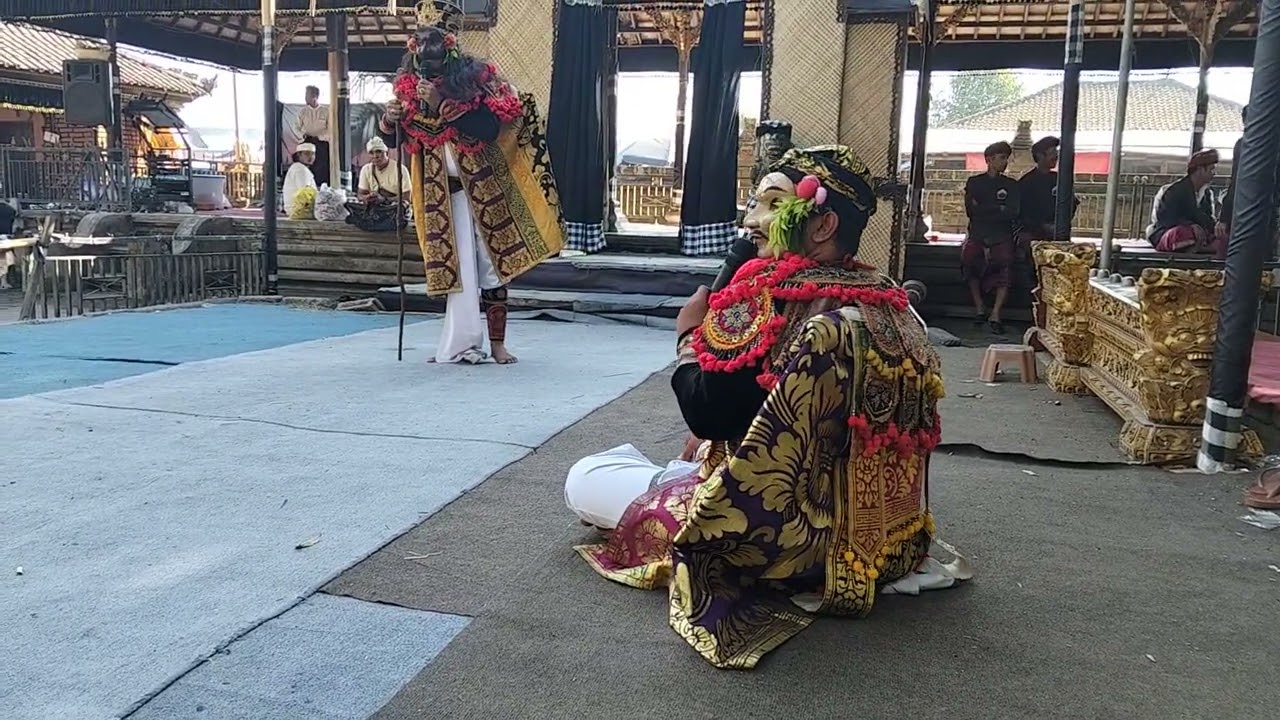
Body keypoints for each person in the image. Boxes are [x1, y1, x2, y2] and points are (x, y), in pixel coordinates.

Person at [564, 145, 968, 670]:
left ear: (822, 225)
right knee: (668, 463)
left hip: (780, 545)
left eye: (770, 205)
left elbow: (708, 414)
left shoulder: (773, 299)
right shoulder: (888, 299)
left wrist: (687, 335)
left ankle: (669, 484)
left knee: (585, 476)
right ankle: (673, 476)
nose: (750, 222)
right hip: (885, 542)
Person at [377, 2, 563, 365]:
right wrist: (389, 119)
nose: (428, 68)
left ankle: (496, 344)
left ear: (450, 47)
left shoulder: (478, 81)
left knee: (492, 267)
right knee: (453, 270)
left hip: (484, 191)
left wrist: (444, 101)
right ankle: (458, 342)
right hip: (439, 194)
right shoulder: (409, 86)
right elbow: (396, 139)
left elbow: (488, 129)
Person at [961, 141, 1021, 334]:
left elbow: (1013, 211)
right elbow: (972, 211)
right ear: (989, 160)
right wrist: (998, 208)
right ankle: (979, 306)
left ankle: (996, 313)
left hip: (1001, 234)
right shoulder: (975, 182)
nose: (1005, 162)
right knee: (969, 260)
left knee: (1005, 264)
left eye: (1006, 158)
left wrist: (986, 208)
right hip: (978, 233)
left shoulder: (1011, 185)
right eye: (1002, 158)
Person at [1146, 149, 1220, 254]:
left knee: (1223, 236)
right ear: (1199, 169)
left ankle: (1198, 247)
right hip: (1169, 233)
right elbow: (1166, 218)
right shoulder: (1175, 191)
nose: (1214, 174)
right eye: (1211, 170)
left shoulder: (1207, 193)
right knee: (1180, 234)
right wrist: (1190, 225)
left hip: (1198, 235)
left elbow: (1208, 219)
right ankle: (1199, 248)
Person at [295, 85, 331, 188]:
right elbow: (296, 127)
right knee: (306, 166)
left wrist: (321, 136)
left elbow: (331, 129)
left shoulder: (326, 111)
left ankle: (321, 188)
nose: (305, 98)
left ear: (315, 96)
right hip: (307, 142)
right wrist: (302, 136)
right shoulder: (303, 112)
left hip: (321, 144)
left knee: (322, 168)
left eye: (307, 95)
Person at [357, 136, 410, 203]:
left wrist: (385, 200)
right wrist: (368, 197)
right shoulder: (366, 169)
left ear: (386, 153)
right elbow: (360, 195)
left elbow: (407, 197)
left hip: (395, 210)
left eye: (379, 151)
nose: (375, 156)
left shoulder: (400, 169)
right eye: (371, 153)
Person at [282, 142, 317, 218]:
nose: (311, 157)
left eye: (313, 154)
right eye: (307, 154)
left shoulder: (298, 167)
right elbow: (306, 194)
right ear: (299, 155)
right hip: (299, 211)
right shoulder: (300, 169)